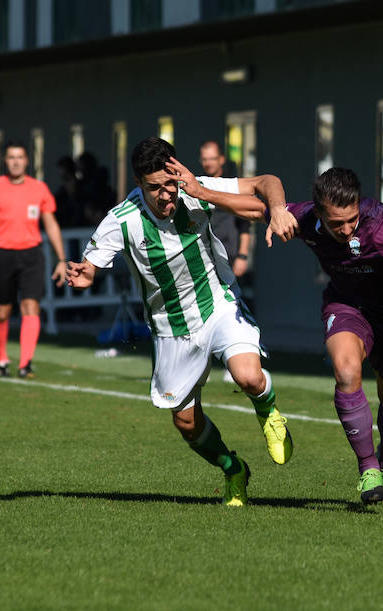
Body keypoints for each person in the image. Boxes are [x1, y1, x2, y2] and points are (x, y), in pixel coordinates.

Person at [66, 137, 296, 506]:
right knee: (186, 423)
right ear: (139, 184)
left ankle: (268, 412)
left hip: (217, 305)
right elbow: (91, 263)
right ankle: (233, 468)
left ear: (176, 173)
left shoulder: (192, 188)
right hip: (170, 328)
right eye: (153, 187)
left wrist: (277, 207)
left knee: (248, 376)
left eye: (168, 184)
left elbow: (265, 184)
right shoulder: (121, 220)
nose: (164, 194)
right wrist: (86, 273)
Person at [271, 167, 383, 506]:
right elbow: (257, 193)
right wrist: (204, 192)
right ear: (319, 211)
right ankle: (368, 469)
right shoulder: (306, 217)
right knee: (347, 371)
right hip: (347, 304)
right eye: (337, 223)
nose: (347, 229)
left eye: (352, 219)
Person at [0, 142, 68, 378]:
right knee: (2, 311)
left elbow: (50, 223)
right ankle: (1, 359)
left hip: (31, 254)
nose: (16, 161)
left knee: (30, 306)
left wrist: (61, 258)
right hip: (0, 254)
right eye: (11, 157)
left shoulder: (39, 188)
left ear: (27, 161)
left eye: (20, 157)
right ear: (5, 160)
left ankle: (25, 363)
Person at [199, 141, 251, 278]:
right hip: (206, 254)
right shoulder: (198, 186)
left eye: (212, 158)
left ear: (221, 159)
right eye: (205, 159)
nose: (208, 163)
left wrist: (243, 256)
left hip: (230, 254)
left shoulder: (232, 186)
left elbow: (244, 225)